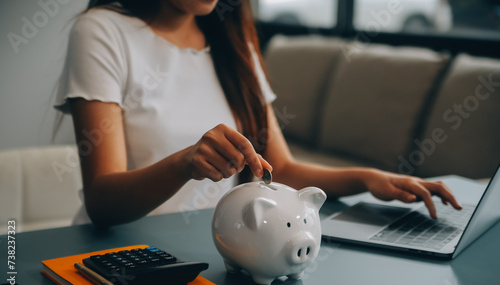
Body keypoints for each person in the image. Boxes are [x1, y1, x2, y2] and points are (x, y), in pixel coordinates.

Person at [55, 0, 461, 228]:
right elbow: (102, 201)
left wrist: (370, 178)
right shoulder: (101, 31)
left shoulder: (232, 38)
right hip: (121, 256)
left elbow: (279, 167)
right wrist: (184, 163)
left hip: (223, 250)